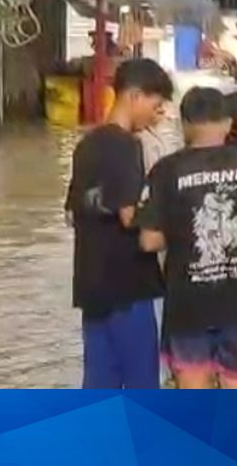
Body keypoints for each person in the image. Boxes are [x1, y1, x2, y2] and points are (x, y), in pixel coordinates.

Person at [139, 87, 237, 389]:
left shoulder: (166, 170)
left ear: (184, 123)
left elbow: (149, 241)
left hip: (186, 306)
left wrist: (181, 230)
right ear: (229, 122)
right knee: (236, 389)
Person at [65, 58, 173, 389]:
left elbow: (72, 213)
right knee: (142, 385)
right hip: (128, 285)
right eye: (156, 106)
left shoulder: (87, 143)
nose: (158, 114)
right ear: (135, 96)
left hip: (91, 283)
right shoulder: (127, 145)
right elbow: (130, 215)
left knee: (99, 384)